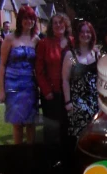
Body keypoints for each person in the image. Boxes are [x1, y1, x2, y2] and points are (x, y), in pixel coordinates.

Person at [0, 6, 40, 144]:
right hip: (13, 85)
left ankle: (32, 154)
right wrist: (2, 90)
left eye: (31, 18)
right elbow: (2, 65)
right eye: (25, 18)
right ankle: (18, 155)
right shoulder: (10, 38)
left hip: (29, 85)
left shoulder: (36, 40)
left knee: (30, 122)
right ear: (20, 20)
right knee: (17, 123)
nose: (29, 21)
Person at [36, 13, 73, 143]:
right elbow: (39, 71)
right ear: (51, 26)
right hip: (51, 94)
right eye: (55, 23)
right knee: (51, 130)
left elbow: (78, 61)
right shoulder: (44, 43)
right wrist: (46, 91)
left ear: (66, 24)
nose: (58, 25)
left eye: (61, 22)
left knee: (68, 129)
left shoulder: (72, 42)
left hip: (69, 93)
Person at [62, 21, 99, 139]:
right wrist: (68, 102)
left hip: (95, 102)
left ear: (92, 34)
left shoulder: (96, 54)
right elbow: (65, 80)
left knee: (95, 135)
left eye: (88, 32)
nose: (85, 34)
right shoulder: (72, 56)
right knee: (80, 137)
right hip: (78, 103)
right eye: (82, 32)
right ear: (77, 34)